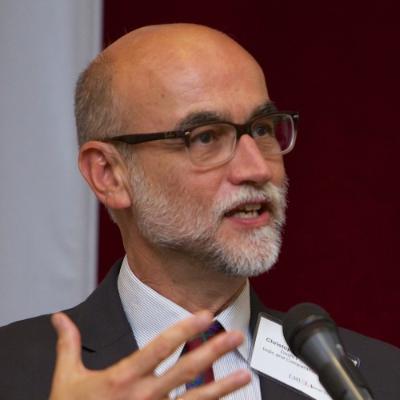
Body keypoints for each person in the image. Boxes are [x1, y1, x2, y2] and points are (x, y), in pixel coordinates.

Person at [0, 23, 399, 400]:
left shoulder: (380, 379)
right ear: (109, 175)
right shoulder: (13, 372)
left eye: (262, 129)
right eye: (205, 137)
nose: (257, 169)